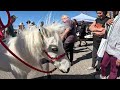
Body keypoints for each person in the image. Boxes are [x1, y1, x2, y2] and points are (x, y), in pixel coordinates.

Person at [95, 11, 120, 79]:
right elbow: (108, 31)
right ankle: (103, 76)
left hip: (117, 51)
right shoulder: (116, 17)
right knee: (103, 65)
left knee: (113, 70)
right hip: (108, 48)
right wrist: (107, 23)